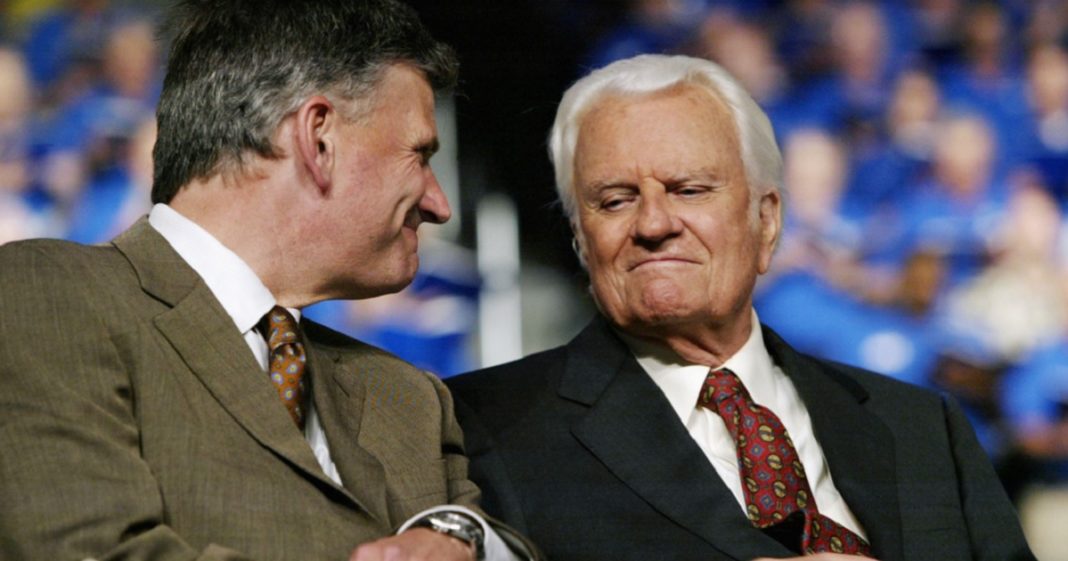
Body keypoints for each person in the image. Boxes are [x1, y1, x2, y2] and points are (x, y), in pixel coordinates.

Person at [0, 1, 537, 560]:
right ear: (318, 138)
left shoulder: (410, 400)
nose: (439, 204)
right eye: (419, 154)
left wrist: (465, 540)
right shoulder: (45, 293)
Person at [446, 54, 1035, 561]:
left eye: (690, 190)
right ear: (580, 239)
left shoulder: (924, 426)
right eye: (616, 200)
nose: (653, 224)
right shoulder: (480, 427)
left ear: (767, 221)